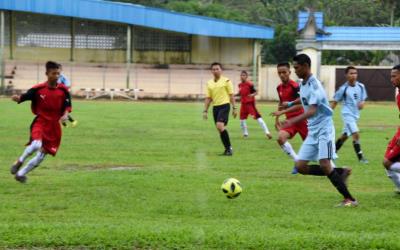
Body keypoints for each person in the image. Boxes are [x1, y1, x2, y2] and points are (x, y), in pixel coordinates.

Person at [280, 54, 357, 207]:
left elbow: (312, 110)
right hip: (313, 130)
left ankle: (350, 199)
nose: (294, 70)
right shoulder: (303, 83)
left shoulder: (315, 85)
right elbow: (303, 99)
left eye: (296, 67)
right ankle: (341, 172)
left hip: (324, 129)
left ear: (306, 66)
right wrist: (289, 104)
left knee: (325, 163)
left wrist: (291, 120)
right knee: (300, 167)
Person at [10, 61, 72, 183]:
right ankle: (19, 161)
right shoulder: (38, 89)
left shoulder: (64, 90)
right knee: (37, 144)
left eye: (58, 73)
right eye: (54, 73)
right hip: (41, 122)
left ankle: (21, 174)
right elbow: (25, 96)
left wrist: (65, 115)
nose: (56, 76)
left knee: (42, 155)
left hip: (54, 127)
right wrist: (18, 98)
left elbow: (67, 107)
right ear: (47, 74)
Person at [271, 62, 308, 174]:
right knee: (280, 139)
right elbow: (282, 102)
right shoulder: (279, 88)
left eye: (284, 72)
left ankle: (333, 168)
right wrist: (277, 119)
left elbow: (300, 104)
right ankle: (297, 161)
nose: (282, 75)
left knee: (313, 146)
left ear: (289, 72)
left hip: (301, 119)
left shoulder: (295, 86)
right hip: (289, 122)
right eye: (279, 73)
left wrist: (283, 111)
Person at [331, 66, 368, 163]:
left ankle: (332, 153)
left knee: (344, 136)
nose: (353, 75)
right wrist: (328, 114)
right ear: (346, 75)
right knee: (356, 133)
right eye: (351, 73)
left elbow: (363, 99)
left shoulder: (361, 86)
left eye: (355, 73)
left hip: (355, 115)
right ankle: (361, 158)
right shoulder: (343, 89)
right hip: (347, 114)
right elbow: (334, 102)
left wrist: (362, 103)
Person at [203, 62, 237, 156]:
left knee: (219, 126)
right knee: (220, 129)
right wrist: (205, 110)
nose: (215, 71)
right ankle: (227, 149)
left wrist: (234, 108)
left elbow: (231, 95)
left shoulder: (226, 81)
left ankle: (229, 148)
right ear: (211, 71)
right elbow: (208, 98)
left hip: (225, 105)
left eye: (217, 69)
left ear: (221, 70)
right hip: (215, 107)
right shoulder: (209, 83)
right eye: (213, 69)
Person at [236, 70, 272, 139]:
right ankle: (245, 134)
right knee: (242, 120)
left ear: (246, 76)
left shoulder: (250, 84)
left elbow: (255, 92)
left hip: (250, 104)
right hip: (243, 105)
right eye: (241, 75)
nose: (242, 76)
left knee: (258, 118)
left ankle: (267, 132)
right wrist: (234, 95)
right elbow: (240, 93)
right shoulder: (240, 85)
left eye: (243, 75)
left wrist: (252, 95)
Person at [382, 64, 400, 193]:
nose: (391, 79)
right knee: (386, 161)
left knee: (387, 162)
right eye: (391, 76)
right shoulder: (398, 93)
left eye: (394, 76)